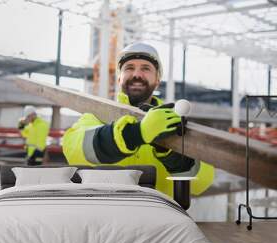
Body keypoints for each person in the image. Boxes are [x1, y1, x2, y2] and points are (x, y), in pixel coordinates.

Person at [62, 42, 214, 197]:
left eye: (145, 69)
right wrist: (135, 134)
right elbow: (74, 151)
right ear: (119, 78)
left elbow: (201, 184)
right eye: (129, 68)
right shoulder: (97, 115)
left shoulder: (174, 121)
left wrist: (172, 153)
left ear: (157, 80)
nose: (137, 75)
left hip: (160, 214)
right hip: (107, 214)